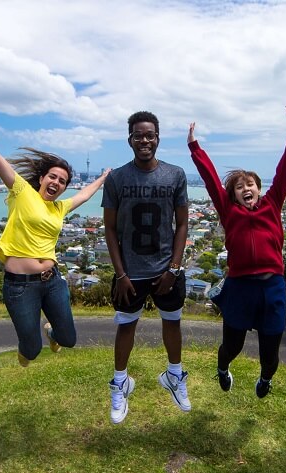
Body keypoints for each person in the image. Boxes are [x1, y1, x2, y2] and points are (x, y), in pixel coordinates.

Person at [0, 86, 110, 367]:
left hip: (53, 280)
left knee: (68, 339)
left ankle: (51, 332)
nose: (57, 183)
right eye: (53, 177)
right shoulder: (21, 192)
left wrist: (104, 177)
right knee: (30, 351)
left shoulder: (59, 207)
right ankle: (32, 343)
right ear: (42, 177)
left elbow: (83, 195)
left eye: (63, 181)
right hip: (20, 286)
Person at [187, 107, 286, 399]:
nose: (245, 188)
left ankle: (266, 378)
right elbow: (212, 181)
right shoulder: (228, 211)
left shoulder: (272, 204)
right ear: (234, 194)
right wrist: (194, 147)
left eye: (250, 184)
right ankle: (223, 367)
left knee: (270, 352)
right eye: (239, 187)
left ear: (259, 189)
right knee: (233, 345)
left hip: (272, 286)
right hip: (240, 286)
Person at [103, 111, 189, 424]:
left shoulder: (175, 175)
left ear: (158, 138)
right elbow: (109, 229)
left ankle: (175, 376)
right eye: (138, 135)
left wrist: (174, 268)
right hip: (131, 270)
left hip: (166, 267)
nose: (144, 140)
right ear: (130, 140)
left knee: (173, 322)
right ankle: (120, 383)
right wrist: (121, 274)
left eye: (149, 135)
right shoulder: (116, 178)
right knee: (126, 325)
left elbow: (182, 224)